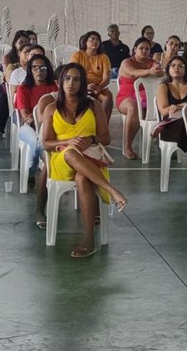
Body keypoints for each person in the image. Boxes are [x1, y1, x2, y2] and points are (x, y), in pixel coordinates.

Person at [40, 63, 127, 259]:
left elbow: (106, 138)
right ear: (60, 82)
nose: (71, 83)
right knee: (70, 153)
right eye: (67, 78)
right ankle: (113, 191)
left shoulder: (93, 106)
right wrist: (67, 142)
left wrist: (90, 139)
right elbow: (46, 143)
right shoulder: (51, 109)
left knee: (82, 178)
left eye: (76, 79)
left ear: (82, 83)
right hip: (61, 161)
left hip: (90, 158)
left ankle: (88, 238)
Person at [116, 37, 164, 160]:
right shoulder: (127, 62)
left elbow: (161, 72)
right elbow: (133, 73)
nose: (144, 51)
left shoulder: (152, 62)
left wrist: (159, 71)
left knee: (165, 106)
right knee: (134, 107)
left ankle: (166, 143)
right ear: (135, 49)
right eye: (141, 48)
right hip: (125, 99)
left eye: (147, 49)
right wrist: (150, 71)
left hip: (147, 100)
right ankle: (128, 147)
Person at [16, 54, 58, 193]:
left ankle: (53, 173)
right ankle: (31, 173)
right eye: (35, 68)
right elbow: (25, 115)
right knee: (36, 143)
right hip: (29, 127)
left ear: (48, 70)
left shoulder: (55, 88)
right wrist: (34, 120)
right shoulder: (24, 88)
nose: (39, 71)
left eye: (43, 67)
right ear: (30, 70)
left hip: (52, 126)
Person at [0, 30, 30, 140]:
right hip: (7, 86)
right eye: (20, 42)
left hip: (26, 87)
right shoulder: (8, 58)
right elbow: (8, 78)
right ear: (15, 44)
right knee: (4, 98)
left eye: (26, 42)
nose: (23, 44)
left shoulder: (33, 58)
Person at [70, 31, 113, 120]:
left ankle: (102, 124)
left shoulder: (103, 57)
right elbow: (73, 74)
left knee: (108, 97)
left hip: (99, 88)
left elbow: (106, 78)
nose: (95, 41)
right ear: (85, 42)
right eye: (92, 39)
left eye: (97, 40)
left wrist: (98, 88)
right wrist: (85, 86)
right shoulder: (77, 55)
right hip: (81, 87)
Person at [155, 55, 187, 152]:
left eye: (180, 66)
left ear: (185, 69)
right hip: (171, 124)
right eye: (173, 65)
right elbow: (164, 111)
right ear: (168, 69)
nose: (176, 68)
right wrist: (186, 105)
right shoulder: (163, 86)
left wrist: (178, 106)